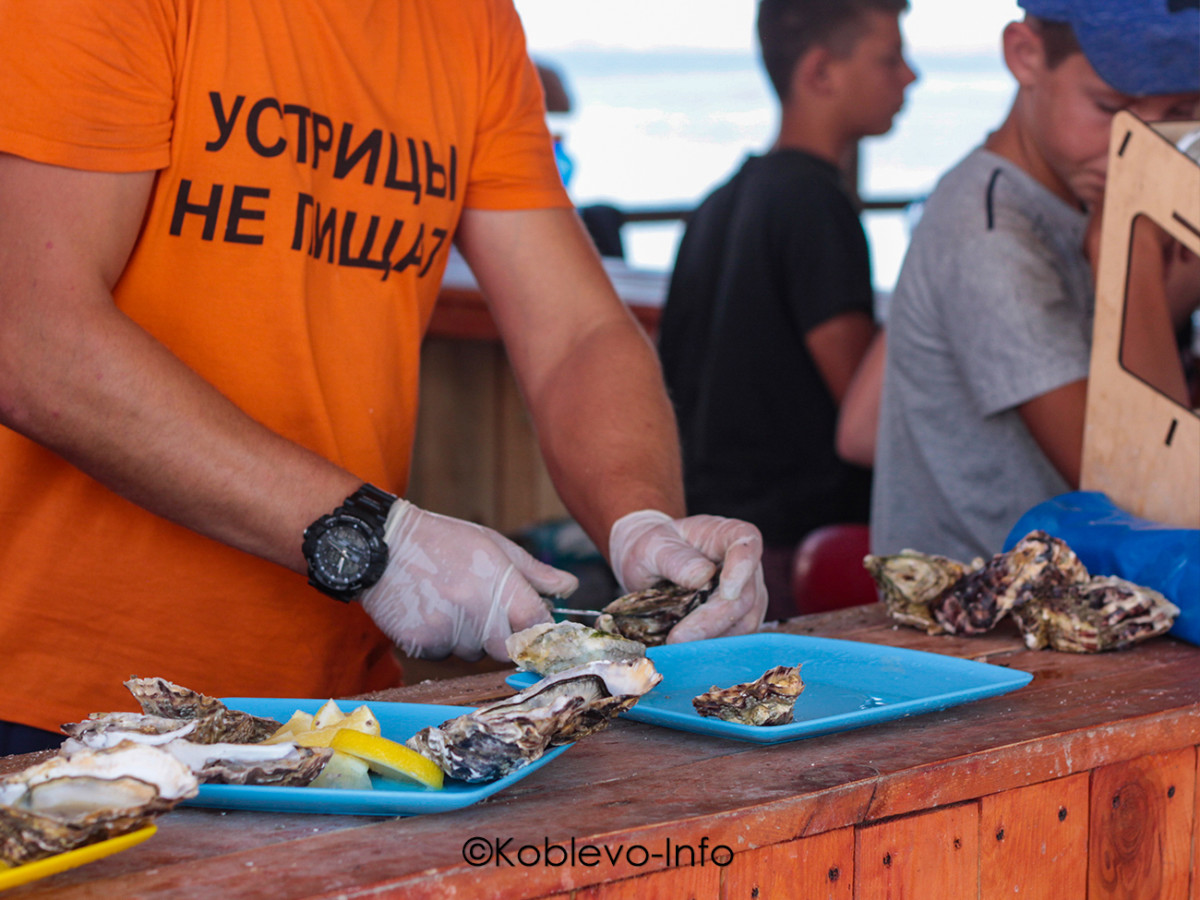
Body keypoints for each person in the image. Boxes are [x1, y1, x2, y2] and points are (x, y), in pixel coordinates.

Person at [0, 1, 768, 755]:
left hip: (335, 709)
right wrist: (376, 539)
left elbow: (578, 333)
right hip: (51, 705)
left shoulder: (472, 23)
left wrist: (643, 527)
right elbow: (30, 334)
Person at [870, 0, 1200, 563]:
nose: (1140, 146)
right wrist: (1134, 247)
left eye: (1176, 114)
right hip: (979, 628)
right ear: (1025, 56)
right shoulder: (989, 237)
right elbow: (1151, 496)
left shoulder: (1082, 196)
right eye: (1111, 108)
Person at [656, 0, 916, 619]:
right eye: (890, 59)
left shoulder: (718, 202)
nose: (910, 77)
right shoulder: (814, 205)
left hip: (707, 538)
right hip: (794, 552)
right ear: (821, 72)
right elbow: (863, 406)